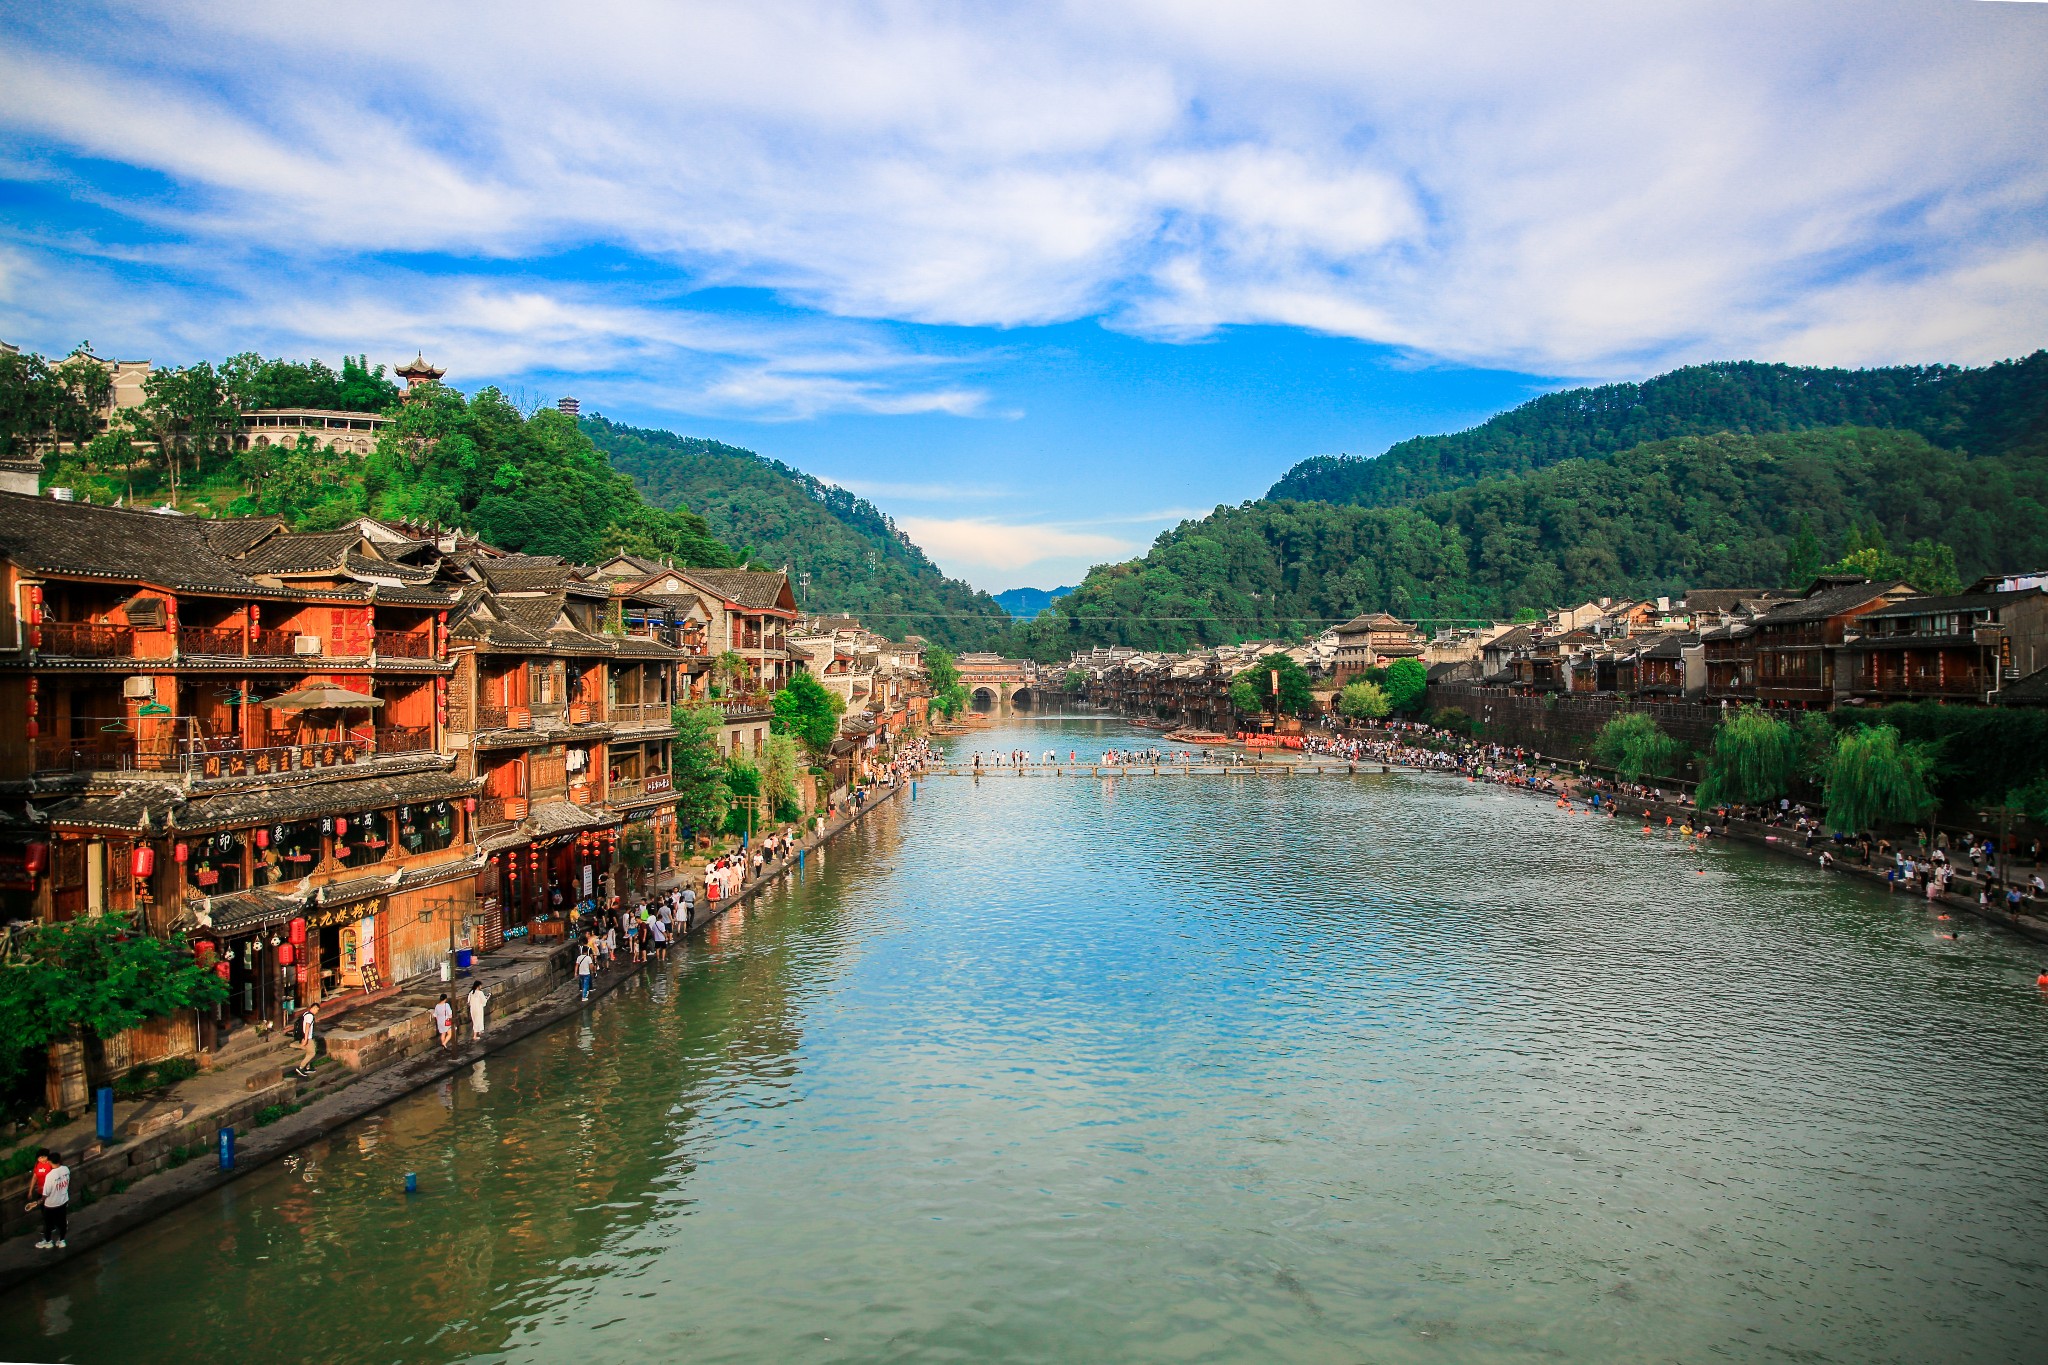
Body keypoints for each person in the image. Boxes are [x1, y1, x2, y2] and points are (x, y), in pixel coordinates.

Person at [28, 1151, 69, 1250]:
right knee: (62, 1222)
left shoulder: (50, 1176)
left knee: (48, 1224)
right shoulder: (66, 1169)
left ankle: (48, 1241)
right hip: (63, 1201)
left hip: (51, 1204)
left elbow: (45, 1194)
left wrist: (37, 1202)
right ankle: (62, 1240)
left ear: (50, 1162)